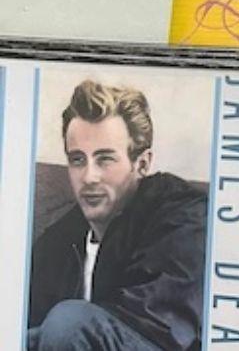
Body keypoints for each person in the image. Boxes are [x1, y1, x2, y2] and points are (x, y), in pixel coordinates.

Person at [28, 80, 207, 351]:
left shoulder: (182, 218)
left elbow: (162, 331)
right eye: (78, 159)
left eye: (105, 159)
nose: (89, 177)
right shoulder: (57, 240)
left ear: (142, 164)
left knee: (68, 323)